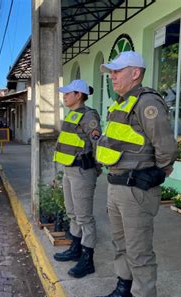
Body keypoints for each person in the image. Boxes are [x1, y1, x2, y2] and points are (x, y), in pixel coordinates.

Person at [93, 51, 177, 297]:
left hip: (136, 190)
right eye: (111, 72)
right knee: (121, 245)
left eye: (117, 71)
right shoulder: (124, 103)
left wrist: (160, 173)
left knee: (139, 252)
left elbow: (166, 146)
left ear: (136, 73)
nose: (112, 76)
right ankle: (124, 292)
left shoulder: (148, 103)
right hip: (117, 185)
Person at [52, 79, 102, 278]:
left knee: (84, 217)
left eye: (68, 93)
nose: (64, 96)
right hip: (70, 171)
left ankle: (88, 259)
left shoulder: (89, 115)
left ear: (78, 95)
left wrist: (97, 167)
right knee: (72, 213)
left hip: (82, 171)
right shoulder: (73, 115)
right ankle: (75, 248)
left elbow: (97, 142)